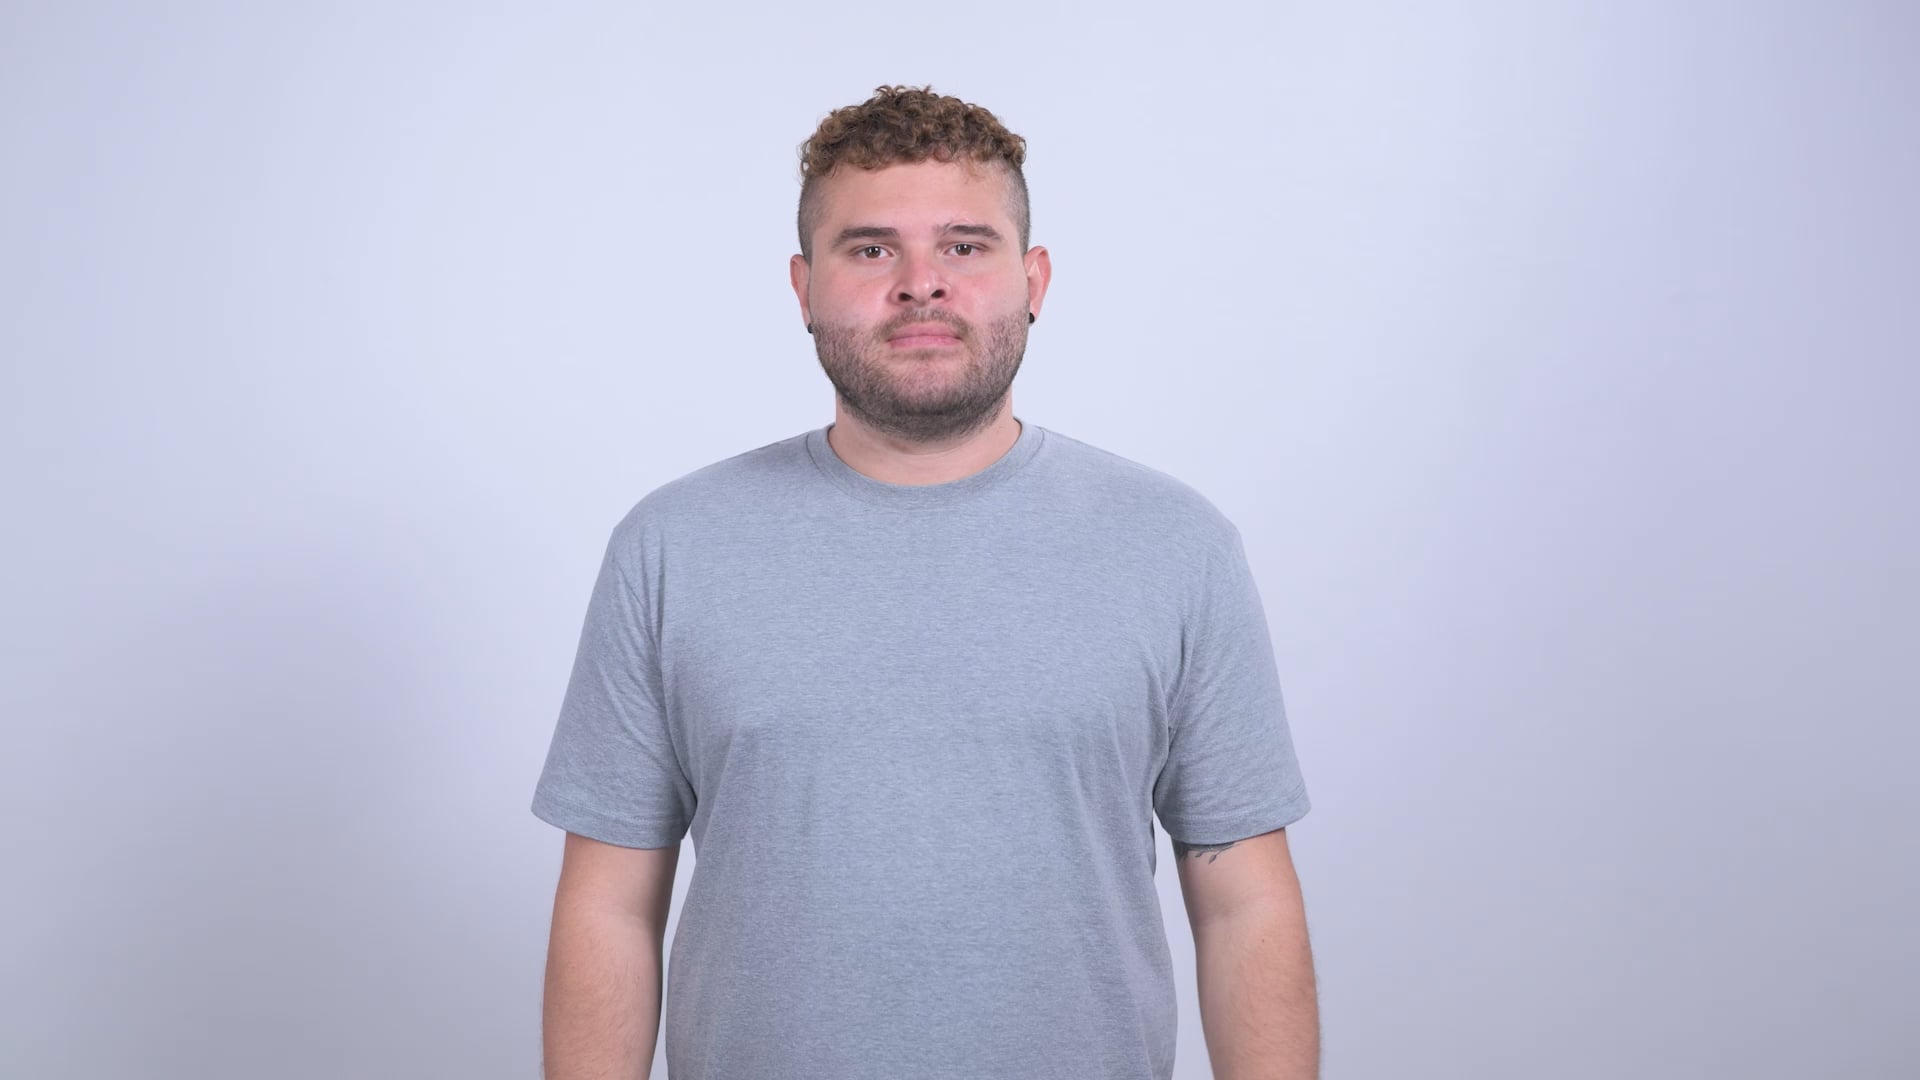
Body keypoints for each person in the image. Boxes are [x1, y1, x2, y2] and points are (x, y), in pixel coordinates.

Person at [531, 85, 1317, 1080]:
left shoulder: (1176, 547)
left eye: (964, 245)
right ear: (803, 287)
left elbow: (1245, 902)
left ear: (1033, 278)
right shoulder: (670, 548)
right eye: (871, 249)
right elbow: (608, 905)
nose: (921, 284)